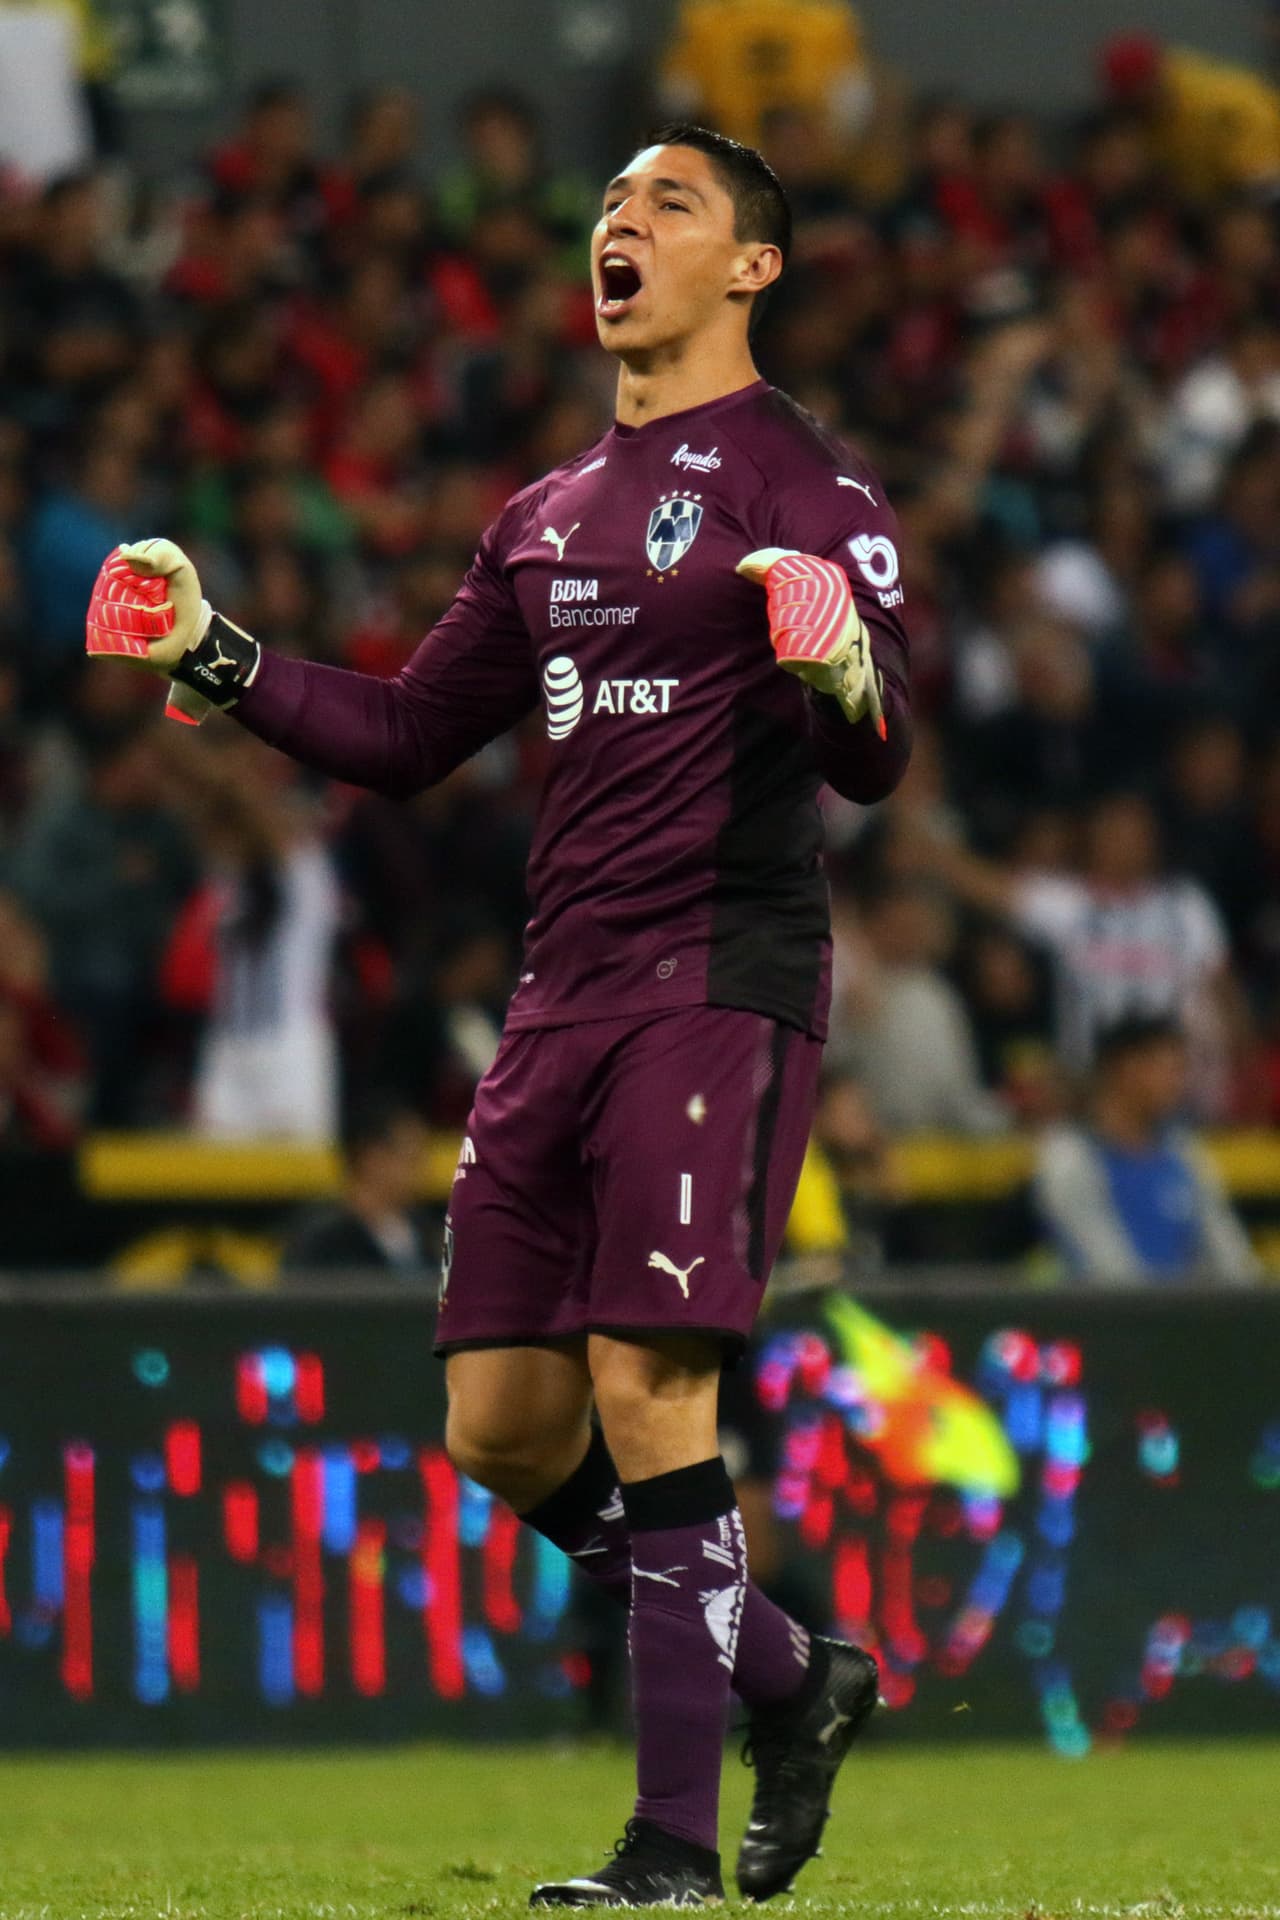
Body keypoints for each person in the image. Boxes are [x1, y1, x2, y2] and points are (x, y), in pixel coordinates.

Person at [82, 123, 912, 1907]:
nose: (622, 226)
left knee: (645, 1385)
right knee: (505, 1431)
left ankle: (669, 1849)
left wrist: (839, 666)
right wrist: (211, 654)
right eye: (611, 206)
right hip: (553, 1008)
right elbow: (398, 738)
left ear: (750, 266)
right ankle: (793, 1676)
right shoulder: (542, 516)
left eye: (668, 204)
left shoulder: (805, 486)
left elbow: (875, 757)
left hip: (716, 982)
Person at [1035, 1014, 1260, 1285]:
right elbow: (1105, 1269)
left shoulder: (1183, 1152)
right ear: (1126, 1069)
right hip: (1097, 1320)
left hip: (1181, 1317)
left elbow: (1230, 1255)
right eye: (1169, 1069)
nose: (1179, 1082)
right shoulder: (1070, 1157)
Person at [280, 1094, 434, 1281]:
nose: (420, 1171)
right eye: (411, 1159)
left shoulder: (425, 1232)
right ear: (372, 1158)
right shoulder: (322, 1239)